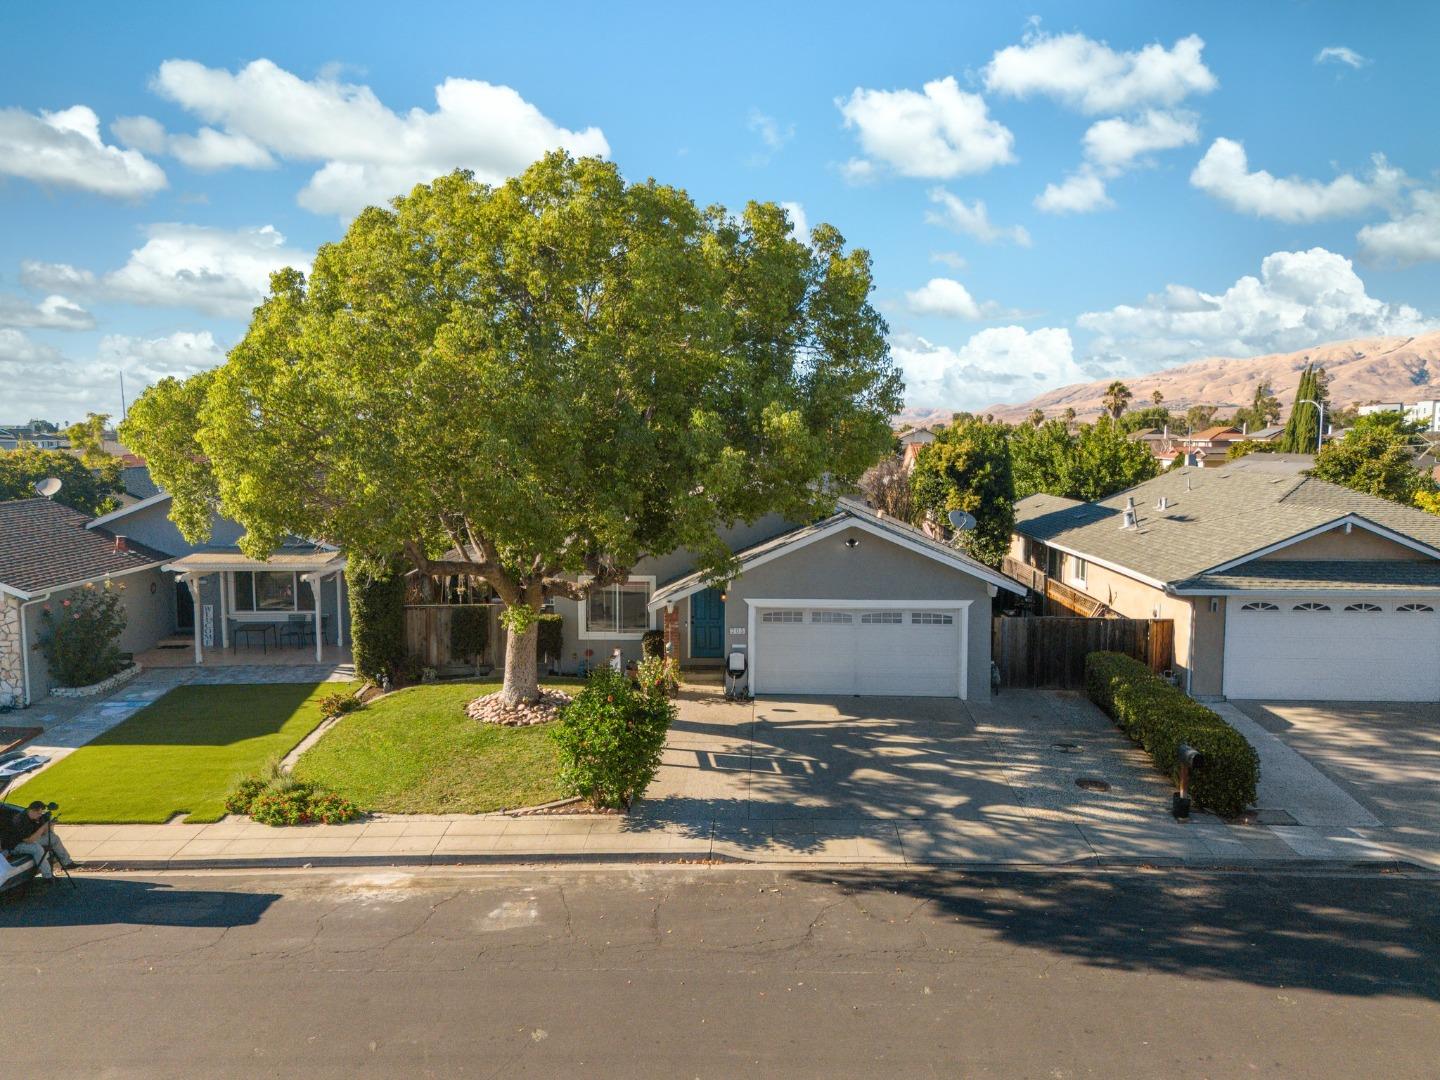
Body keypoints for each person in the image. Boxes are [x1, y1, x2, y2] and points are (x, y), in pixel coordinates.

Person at [2, 801, 74, 879]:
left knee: (53, 838)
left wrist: (50, 825)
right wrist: (43, 827)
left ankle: (67, 863)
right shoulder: (20, 820)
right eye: (39, 813)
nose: (40, 816)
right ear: (32, 810)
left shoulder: (33, 817)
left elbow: (46, 834)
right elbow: (29, 840)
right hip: (15, 845)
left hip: (28, 840)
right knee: (37, 849)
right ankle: (48, 876)